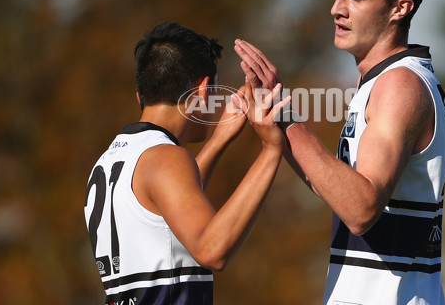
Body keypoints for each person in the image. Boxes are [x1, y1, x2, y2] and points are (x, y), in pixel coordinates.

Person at [235, 0, 445, 304]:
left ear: (400, 8)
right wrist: (277, 130)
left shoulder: (400, 85)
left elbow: (361, 207)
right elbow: (336, 190)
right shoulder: (379, 81)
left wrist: (288, 118)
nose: (337, 8)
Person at [84, 21, 290, 304]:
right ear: (203, 90)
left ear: (141, 96)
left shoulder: (112, 159)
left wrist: (218, 141)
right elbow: (212, 250)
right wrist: (271, 149)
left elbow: (171, 207)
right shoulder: (165, 158)